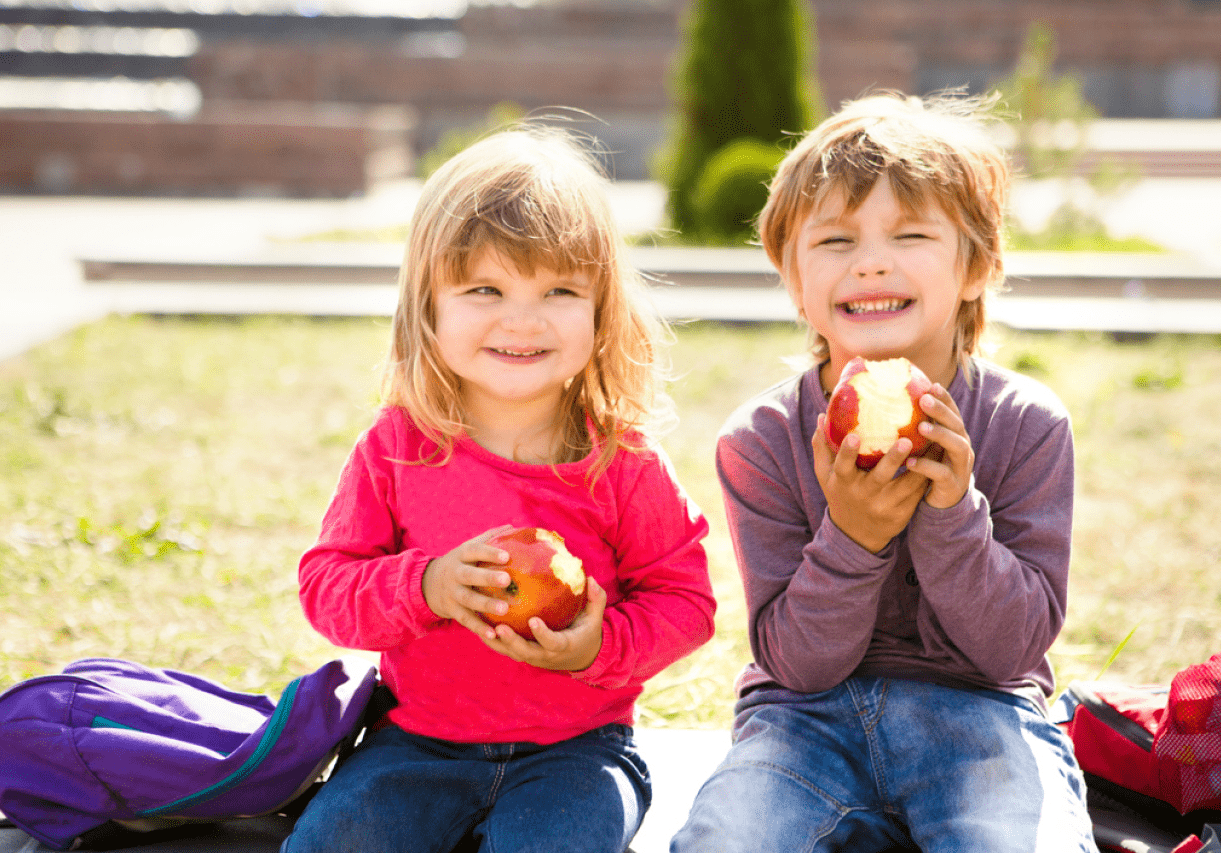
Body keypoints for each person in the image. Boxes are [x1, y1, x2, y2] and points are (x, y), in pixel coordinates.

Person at [670, 91, 1097, 853]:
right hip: (805, 722)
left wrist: (952, 511)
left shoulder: (1027, 424)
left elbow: (1013, 649)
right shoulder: (762, 441)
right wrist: (855, 537)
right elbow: (797, 663)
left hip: (980, 712)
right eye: (834, 240)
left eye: (910, 233)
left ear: (977, 267)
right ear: (792, 275)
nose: (870, 260)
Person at [280, 125, 715, 853]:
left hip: (578, 750)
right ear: (430, 306)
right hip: (415, 744)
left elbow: (687, 601)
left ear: (602, 311)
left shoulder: (622, 461)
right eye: (485, 288)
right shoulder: (397, 448)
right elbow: (327, 587)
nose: (522, 318)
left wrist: (597, 646)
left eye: (559, 290)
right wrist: (428, 586)